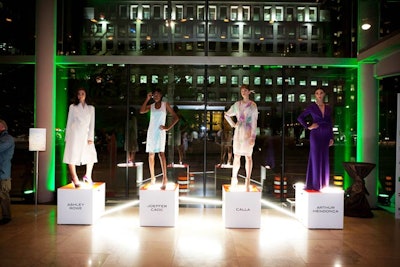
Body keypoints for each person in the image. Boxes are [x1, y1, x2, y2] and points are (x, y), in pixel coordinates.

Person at [140, 88, 179, 189]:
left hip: (160, 132)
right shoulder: (151, 106)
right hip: (151, 132)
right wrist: (147, 99)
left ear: (161, 95)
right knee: (151, 154)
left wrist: (167, 127)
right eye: (154, 95)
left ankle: (164, 178)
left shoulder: (165, 105)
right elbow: (141, 111)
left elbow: (176, 117)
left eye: (157, 94)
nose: (156, 96)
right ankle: (152, 177)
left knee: (161, 154)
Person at [297, 88, 334, 191]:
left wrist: (331, 137)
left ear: (324, 94)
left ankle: (324, 184)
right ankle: (315, 184)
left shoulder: (328, 108)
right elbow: (300, 118)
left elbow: (330, 122)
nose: (319, 95)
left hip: (326, 134)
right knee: (315, 157)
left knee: (325, 158)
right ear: (315, 95)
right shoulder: (312, 107)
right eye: (317, 93)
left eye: (321, 93)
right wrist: (308, 126)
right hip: (316, 134)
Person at [224, 85, 258, 190]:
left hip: (248, 133)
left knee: (248, 157)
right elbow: (226, 115)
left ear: (249, 92)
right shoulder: (237, 105)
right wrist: (234, 124)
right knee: (237, 156)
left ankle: (247, 180)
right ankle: (234, 178)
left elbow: (254, 122)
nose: (243, 92)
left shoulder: (253, 105)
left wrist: (253, 136)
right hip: (239, 133)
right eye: (242, 91)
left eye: (245, 90)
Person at [63, 88, 98, 187]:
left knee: (91, 155)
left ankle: (88, 175)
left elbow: (92, 124)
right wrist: (67, 137)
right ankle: (74, 177)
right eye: (79, 94)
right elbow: (69, 122)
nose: (81, 96)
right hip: (74, 135)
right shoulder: (73, 107)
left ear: (86, 95)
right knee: (71, 156)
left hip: (86, 135)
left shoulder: (91, 108)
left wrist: (91, 137)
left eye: (82, 93)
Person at [0, 119, 14, 225]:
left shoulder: (8, 139)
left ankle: (6, 216)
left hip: (3, 173)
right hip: (3, 172)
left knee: (3, 195)